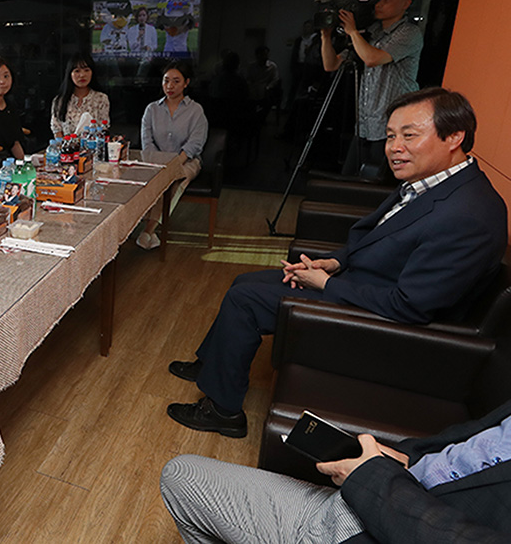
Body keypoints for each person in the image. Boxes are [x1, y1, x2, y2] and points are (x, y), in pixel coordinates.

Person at [166, 88, 507, 438]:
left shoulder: (469, 214)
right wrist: (334, 262)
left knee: (245, 301)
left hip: (384, 321)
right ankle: (212, 364)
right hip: (362, 283)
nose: (394, 147)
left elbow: (411, 306)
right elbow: (382, 238)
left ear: (454, 137)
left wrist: (327, 284)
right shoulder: (432, 182)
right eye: (390, 136)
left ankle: (223, 412)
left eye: (409, 135)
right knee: (243, 282)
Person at [161, 397, 511, 542]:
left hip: (375, 526)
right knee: (181, 475)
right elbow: (466, 443)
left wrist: (374, 477)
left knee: (180, 476)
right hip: (388, 483)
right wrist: (406, 458)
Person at [322, 0, 423, 178]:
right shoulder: (372, 33)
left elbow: (371, 58)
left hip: (392, 130)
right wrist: (326, 36)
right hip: (365, 125)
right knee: (349, 181)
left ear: (406, 3)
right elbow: (331, 64)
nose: (379, 3)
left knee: (374, 187)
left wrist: (352, 32)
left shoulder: (409, 33)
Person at [136, 60, 209, 250]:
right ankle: (148, 232)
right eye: (166, 80)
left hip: (188, 161)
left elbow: (195, 143)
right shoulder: (152, 109)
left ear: (186, 83)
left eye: (176, 81)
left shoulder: (195, 110)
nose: (170, 86)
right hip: (157, 162)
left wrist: (174, 164)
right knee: (147, 180)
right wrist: (159, 164)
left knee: (177, 178)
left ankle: (148, 230)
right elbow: (147, 141)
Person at [50, 53, 110, 139]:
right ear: (70, 74)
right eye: (77, 71)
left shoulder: (101, 98)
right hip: (68, 150)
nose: (82, 75)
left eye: (86, 70)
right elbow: (57, 130)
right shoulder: (59, 101)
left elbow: (103, 129)